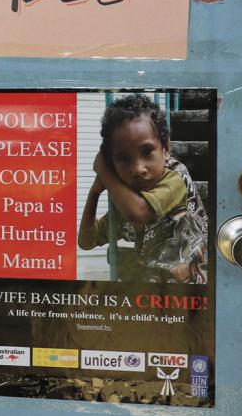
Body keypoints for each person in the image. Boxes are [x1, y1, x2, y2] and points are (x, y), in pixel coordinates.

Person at [76, 94, 208, 284]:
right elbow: (86, 242)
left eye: (147, 152)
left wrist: (103, 170)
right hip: (153, 293)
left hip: (191, 289)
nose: (138, 169)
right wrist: (94, 192)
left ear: (166, 149)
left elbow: (139, 212)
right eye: (124, 159)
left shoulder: (176, 177)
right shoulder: (124, 202)